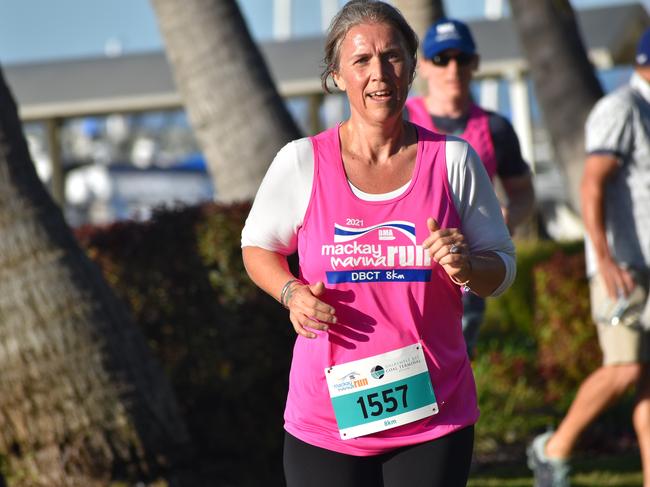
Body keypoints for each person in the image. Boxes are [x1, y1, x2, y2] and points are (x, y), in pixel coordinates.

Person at [241, 1, 515, 485]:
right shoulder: (302, 162)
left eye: (392, 56)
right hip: (325, 420)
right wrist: (291, 292)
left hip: (433, 415)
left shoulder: (452, 160)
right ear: (337, 75)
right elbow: (257, 246)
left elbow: (502, 268)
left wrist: (469, 266)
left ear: (411, 67)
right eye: (361, 60)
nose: (379, 73)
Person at [527, 27, 650, 487]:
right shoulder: (621, 109)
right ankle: (553, 450)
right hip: (622, 269)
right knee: (625, 368)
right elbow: (592, 184)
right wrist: (605, 258)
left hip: (645, 266)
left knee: (647, 380)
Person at [405, 17, 535, 357]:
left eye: (461, 58)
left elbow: (523, 193)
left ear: (475, 63)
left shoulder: (495, 128)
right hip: (405, 272)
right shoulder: (401, 122)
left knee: (452, 370)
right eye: (441, 58)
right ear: (422, 66)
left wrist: (507, 219)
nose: (452, 68)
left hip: (466, 275)